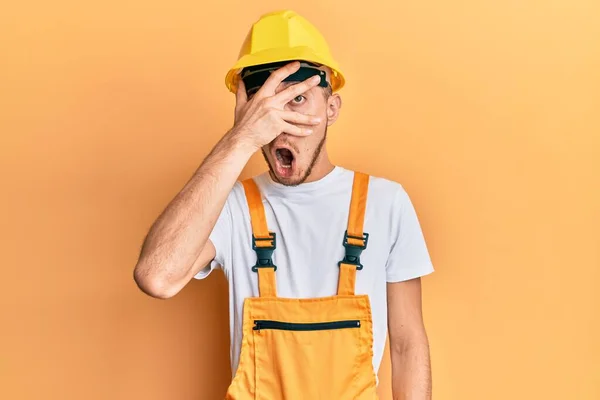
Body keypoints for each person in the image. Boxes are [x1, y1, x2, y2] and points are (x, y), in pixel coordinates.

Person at [133, 9, 434, 400]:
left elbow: (408, 347)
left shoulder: (385, 202)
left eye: (298, 99)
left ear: (332, 109)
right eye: (265, 104)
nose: (281, 123)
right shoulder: (231, 207)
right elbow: (156, 276)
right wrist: (238, 139)